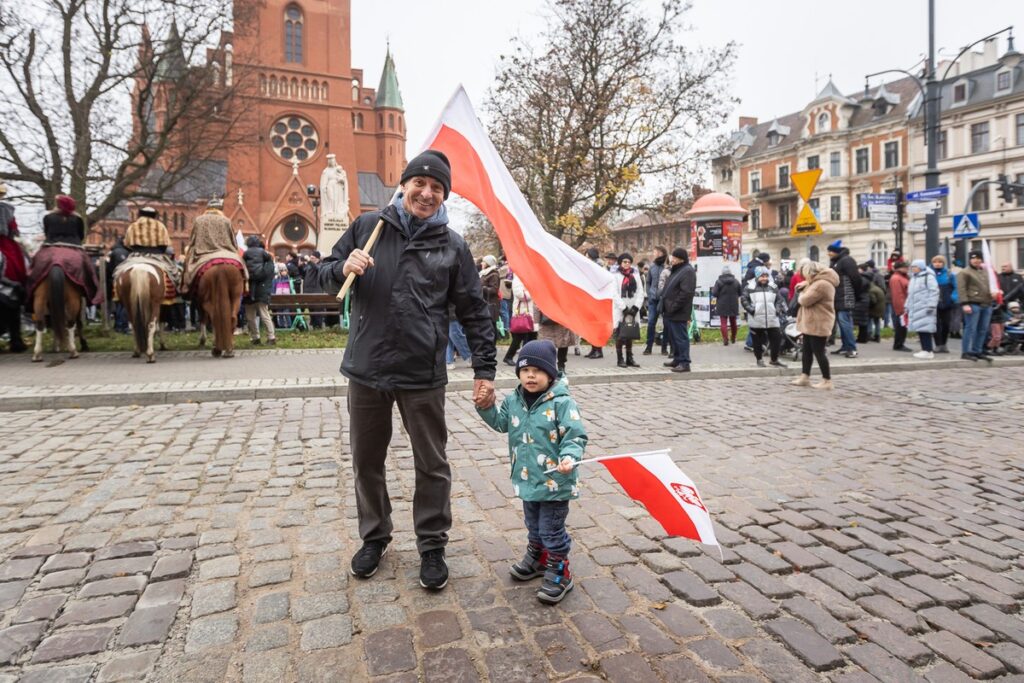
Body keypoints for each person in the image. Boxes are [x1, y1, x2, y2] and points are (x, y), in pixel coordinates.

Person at [318, 149, 496, 590]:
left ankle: (432, 544)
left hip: (422, 372)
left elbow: (474, 310)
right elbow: (320, 275)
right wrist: (343, 265)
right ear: (405, 185)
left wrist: (484, 368)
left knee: (432, 463)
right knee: (366, 461)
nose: (427, 192)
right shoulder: (367, 228)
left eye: (437, 187)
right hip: (367, 368)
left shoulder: (452, 245)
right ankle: (374, 537)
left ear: (443, 196)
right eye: (420, 183)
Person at [476, 339, 587, 604]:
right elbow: (502, 423)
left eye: (537, 370)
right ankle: (538, 558)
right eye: (525, 370)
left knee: (551, 529)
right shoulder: (514, 399)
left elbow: (575, 436)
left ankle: (561, 570)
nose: (530, 375)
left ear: (551, 374)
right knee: (533, 525)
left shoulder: (562, 402)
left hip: (555, 482)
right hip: (528, 479)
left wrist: (569, 457)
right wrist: (486, 407)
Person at [791, 259, 838, 390]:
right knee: (807, 350)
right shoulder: (817, 282)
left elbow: (805, 300)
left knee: (819, 352)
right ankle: (805, 376)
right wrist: (805, 285)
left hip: (819, 322)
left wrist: (801, 293)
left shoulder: (822, 284)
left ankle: (827, 380)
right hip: (812, 322)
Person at [741, 266, 787, 368]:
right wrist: (752, 310)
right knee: (757, 342)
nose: (764, 278)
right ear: (757, 276)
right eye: (762, 276)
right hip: (756, 319)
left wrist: (777, 309)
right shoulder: (749, 287)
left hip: (772, 318)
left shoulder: (773, 286)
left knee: (777, 339)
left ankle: (774, 359)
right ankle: (759, 359)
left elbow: (779, 299)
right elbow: (744, 299)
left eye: (766, 276)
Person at [0, 185, 28, 352]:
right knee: (22, 263)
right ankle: (16, 339)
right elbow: (14, 231)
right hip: (6, 247)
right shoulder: (9, 210)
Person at [659, 247, 695, 372]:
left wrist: (673, 306)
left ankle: (685, 362)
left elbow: (686, 293)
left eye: (674, 257)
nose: (672, 260)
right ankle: (677, 359)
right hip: (670, 310)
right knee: (673, 337)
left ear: (680, 259)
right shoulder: (677, 270)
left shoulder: (687, 271)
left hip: (678, 311)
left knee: (680, 337)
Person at [827, 240, 863, 358]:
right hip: (838, 297)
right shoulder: (836, 262)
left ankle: (852, 348)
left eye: (830, 251)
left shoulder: (847, 260)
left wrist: (856, 295)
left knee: (845, 322)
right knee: (842, 323)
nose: (829, 253)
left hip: (846, 297)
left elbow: (856, 279)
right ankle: (845, 346)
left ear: (837, 251)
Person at [957, 249, 993, 362]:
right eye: (973, 258)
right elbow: (961, 289)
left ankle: (977, 351)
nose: (976, 260)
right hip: (973, 303)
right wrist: (965, 303)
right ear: (970, 260)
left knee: (983, 329)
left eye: (978, 258)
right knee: (970, 328)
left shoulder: (985, 271)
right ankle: (966, 351)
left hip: (986, 303)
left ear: (981, 260)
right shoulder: (964, 272)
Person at [612, 253, 645, 368]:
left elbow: (640, 291)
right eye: (624, 262)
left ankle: (630, 357)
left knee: (630, 332)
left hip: (633, 307)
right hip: (621, 308)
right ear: (620, 263)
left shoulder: (635, 275)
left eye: (629, 262)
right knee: (621, 334)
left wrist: (636, 307)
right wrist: (624, 308)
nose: (627, 264)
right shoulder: (615, 276)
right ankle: (620, 358)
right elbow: (614, 293)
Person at [243, 236, 276, 345]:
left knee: (251, 316)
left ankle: (256, 337)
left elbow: (242, 270)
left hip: (249, 290)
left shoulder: (245, 254)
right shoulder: (268, 260)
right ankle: (270, 337)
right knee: (263, 314)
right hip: (261, 289)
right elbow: (268, 275)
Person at [906, 260, 939, 360]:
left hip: (925, 308)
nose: (913, 268)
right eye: (912, 267)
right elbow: (910, 294)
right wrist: (907, 305)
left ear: (920, 267)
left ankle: (928, 350)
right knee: (920, 329)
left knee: (925, 329)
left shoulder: (928, 277)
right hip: (916, 307)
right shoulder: (914, 278)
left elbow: (934, 291)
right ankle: (925, 349)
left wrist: (931, 305)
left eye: (915, 266)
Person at [503, 272, 537, 365]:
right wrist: (533, 291)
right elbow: (520, 295)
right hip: (522, 312)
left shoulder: (530, 276)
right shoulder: (518, 278)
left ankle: (527, 358)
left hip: (532, 311)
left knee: (532, 336)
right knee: (519, 337)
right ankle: (508, 356)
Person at [930, 254, 958, 353]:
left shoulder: (950, 275)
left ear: (943, 263)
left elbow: (956, 288)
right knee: (936, 325)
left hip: (947, 303)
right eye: (935, 262)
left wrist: (953, 298)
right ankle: (938, 344)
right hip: (933, 303)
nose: (937, 264)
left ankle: (944, 344)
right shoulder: (929, 274)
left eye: (940, 262)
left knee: (946, 324)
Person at [643, 246, 667, 355]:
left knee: (666, 324)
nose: (654, 253)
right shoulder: (652, 267)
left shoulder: (667, 267)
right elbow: (648, 282)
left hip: (665, 300)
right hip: (653, 300)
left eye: (656, 252)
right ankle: (649, 346)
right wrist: (649, 293)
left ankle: (664, 347)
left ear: (662, 253)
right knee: (651, 322)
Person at [583, 248, 606, 359]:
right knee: (591, 325)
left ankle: (598, 350)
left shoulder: (599, 267)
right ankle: (593, 348)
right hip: (590, 298)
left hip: (598, 299)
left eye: (587, 256)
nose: (586, 258)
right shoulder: (589, 267)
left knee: (597, 325)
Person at [711, 265, 742, 345]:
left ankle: (725, 339)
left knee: (723, 323)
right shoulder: (736, 281)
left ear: (722, 273)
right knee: (733, 322)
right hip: (733, 304)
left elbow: (714, 293)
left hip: (722, 304)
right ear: (730, 272)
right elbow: (740, 293)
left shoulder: (719, 281)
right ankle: (733, 337)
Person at [889, 261, 911, 352]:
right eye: (905, 267)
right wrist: (901, 309)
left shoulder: (902, 277)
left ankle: (900, 343)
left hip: (904, 305)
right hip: (901, 306)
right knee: (900, 327)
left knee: (902, 326)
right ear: (899, 268)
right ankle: (899, 344)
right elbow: (898, 295)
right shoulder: (896, 278)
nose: (907, 269)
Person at [479, 254, 501, 329]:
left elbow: (494, 290)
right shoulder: (484, 273)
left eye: (483, 262)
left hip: (491, 304)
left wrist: (481, 288)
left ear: (488, 263)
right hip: (484, 303)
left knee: (491, 327)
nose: (481, 263)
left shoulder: (494, 274)